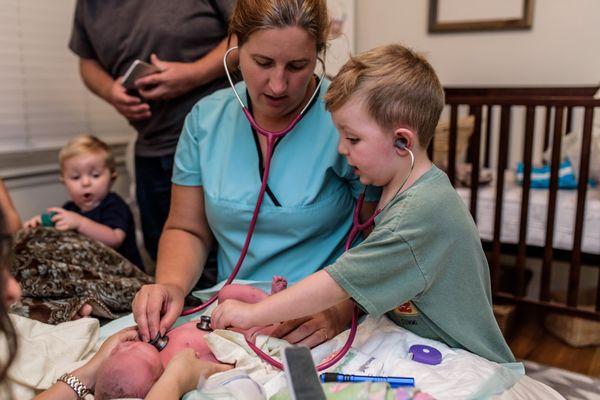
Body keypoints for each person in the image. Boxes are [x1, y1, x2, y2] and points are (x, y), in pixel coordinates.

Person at [211, 44, 516, 364]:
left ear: (402, 142)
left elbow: (338, 283)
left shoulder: (419, 211)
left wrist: (253, 313)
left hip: (467, 358)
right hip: (422, 345)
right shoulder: (398, 190)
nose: (342, 149)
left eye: (353, 139)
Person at [133, 0, 378, 346]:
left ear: (319, 54)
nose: (278, 85)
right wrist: (171, 285)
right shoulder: (205, 120)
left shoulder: (347, 120)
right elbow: (186, 228)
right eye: (262, 63)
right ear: (235, 46)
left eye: (298, 65)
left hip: (319, 313)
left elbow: (381, 239)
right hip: (229, 309)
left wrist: (342, 307)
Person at [69, 1, 237, 262]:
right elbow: (86, 61)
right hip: (150, 145)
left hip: (218, 139)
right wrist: (109, 91)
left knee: (224, 258)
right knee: (162, 255)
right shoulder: (88, 5)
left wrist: (193, 73)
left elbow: (248, 35)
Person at [23, 135, 143, 269]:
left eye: (95, 175)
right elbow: (56, 225)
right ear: (64, 182)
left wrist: (80, 223)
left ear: (112, 178)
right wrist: (39, 222)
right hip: (89, 271)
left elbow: (115, 239)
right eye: (75, 177)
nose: (86, 183)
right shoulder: (70, 209)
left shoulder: (114, 205)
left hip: (123, 272)